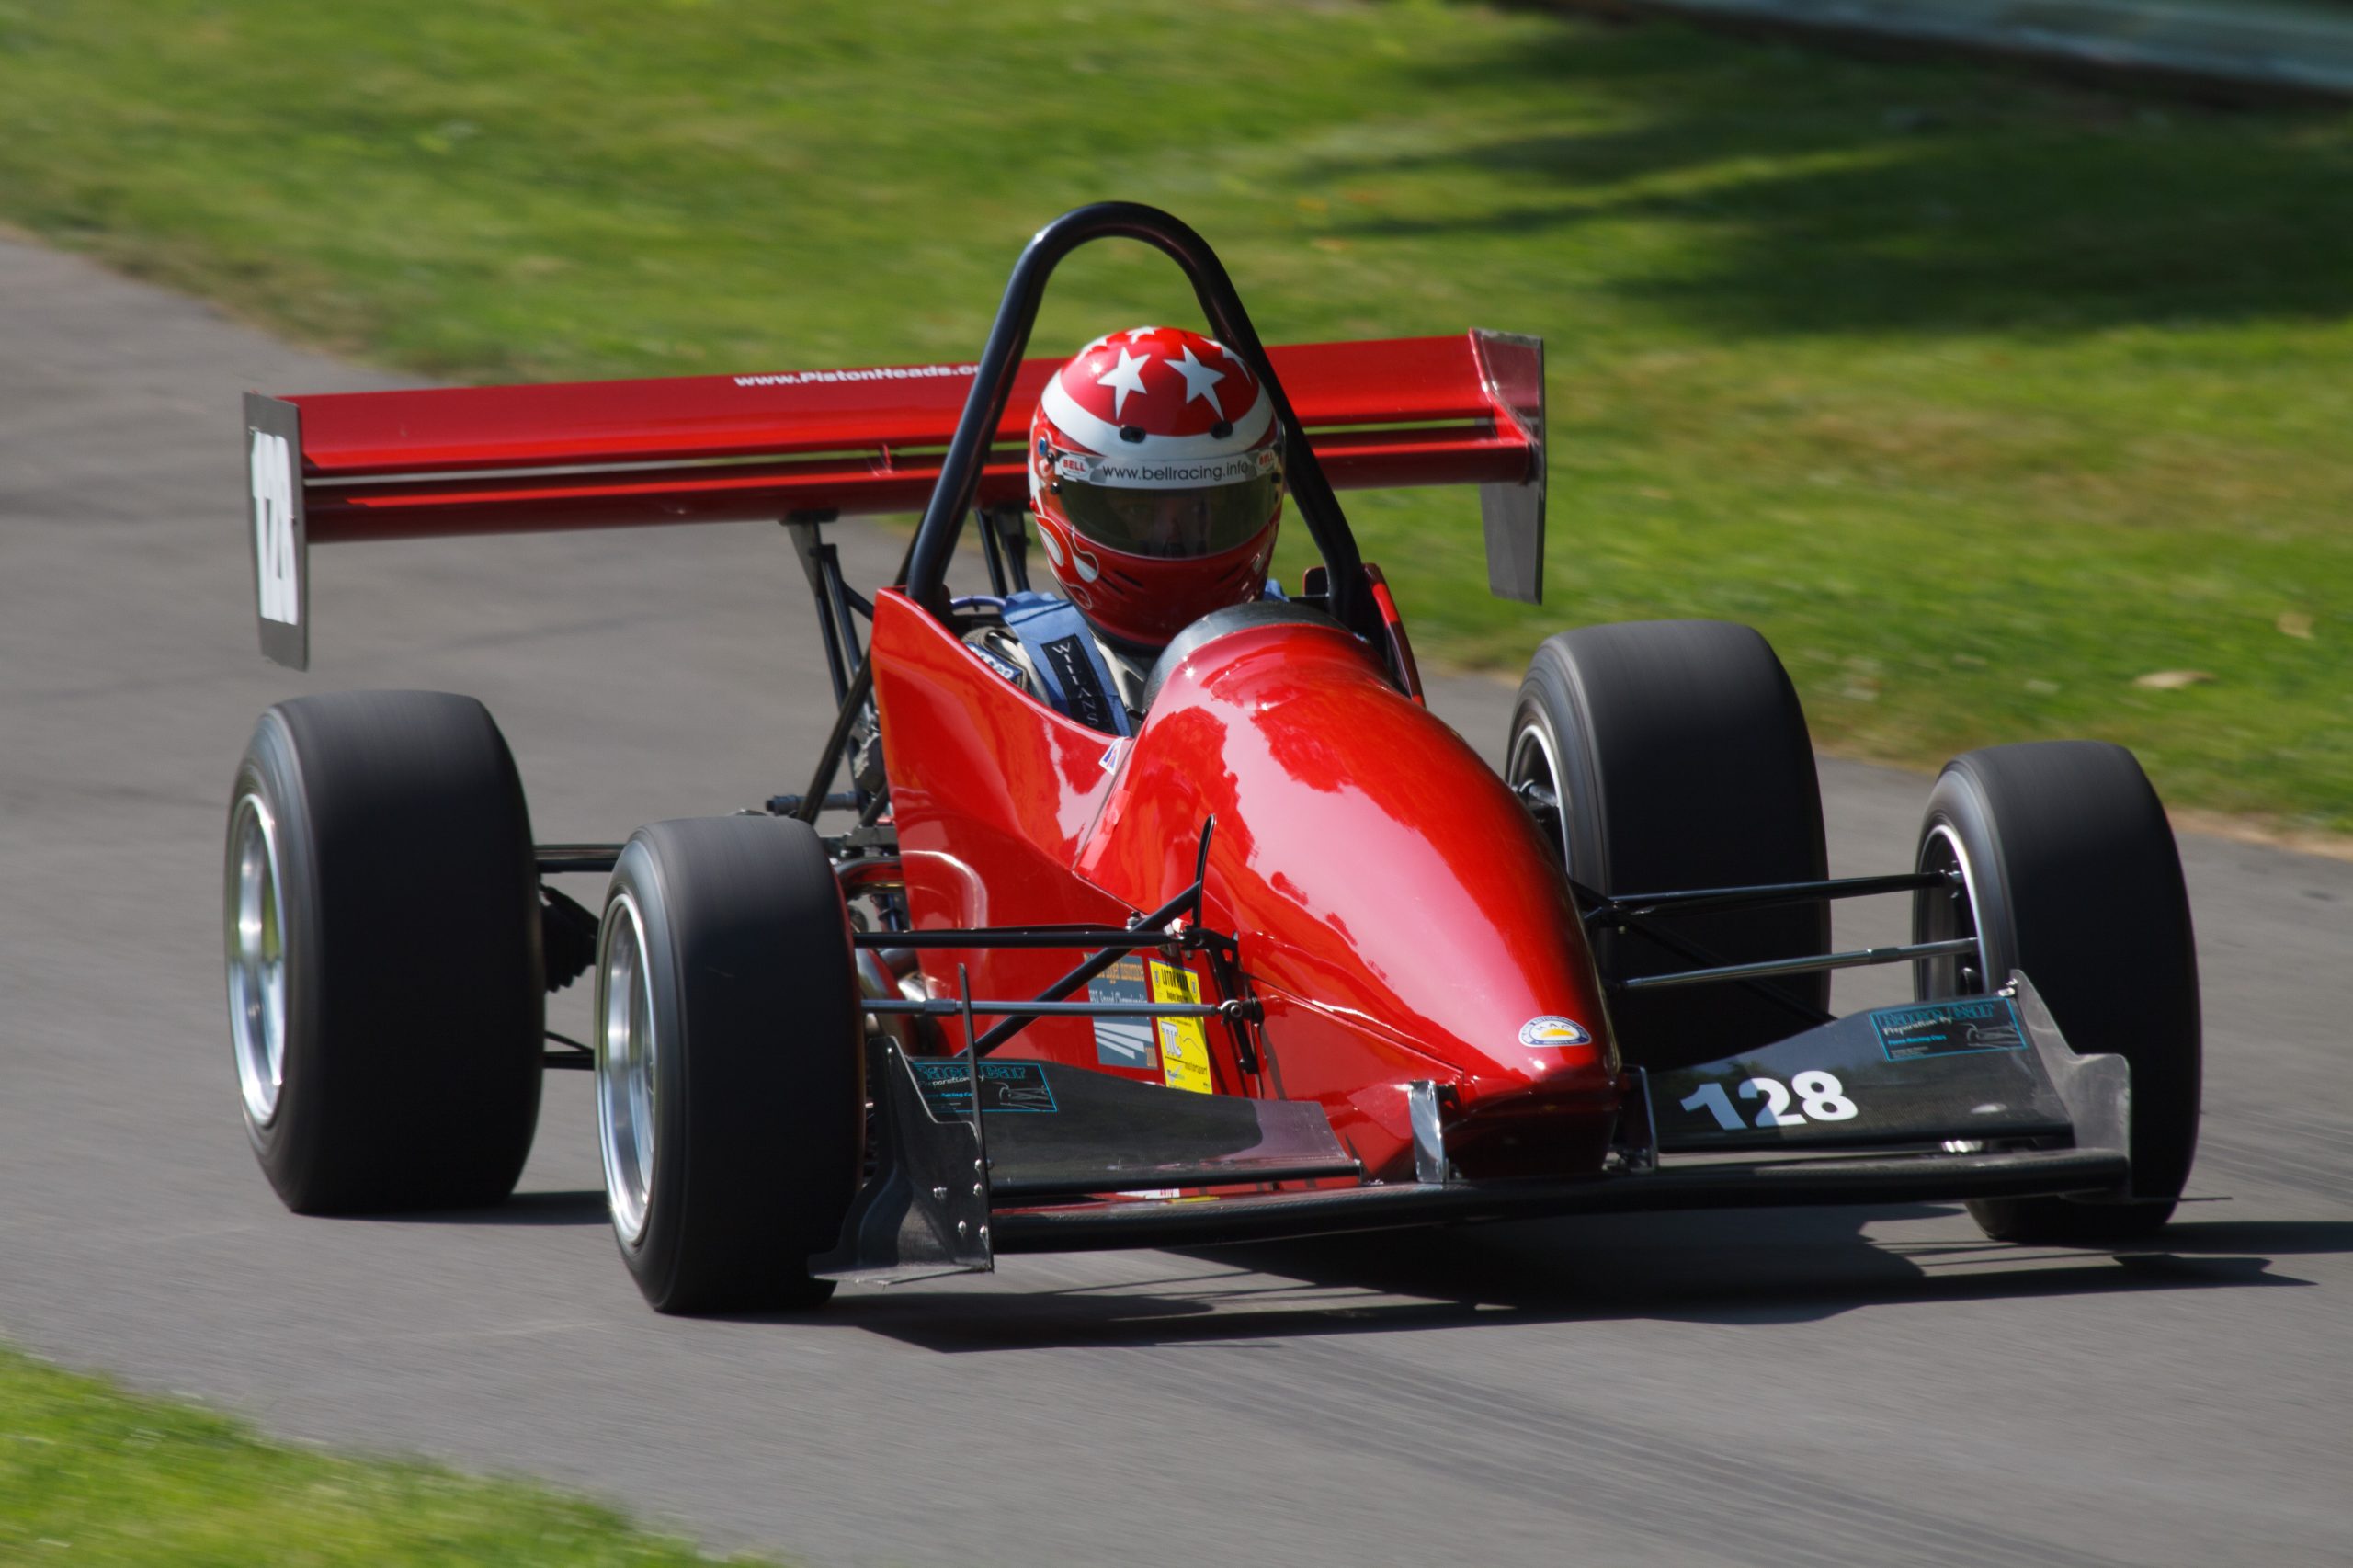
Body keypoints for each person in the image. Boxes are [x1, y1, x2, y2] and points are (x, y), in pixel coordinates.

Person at [964, 324, 1286, 734]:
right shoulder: (1023, 683)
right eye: (1138, 508)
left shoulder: (1312, 650)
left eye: (1207, 504)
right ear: (1053, 487)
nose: (1174, 536)